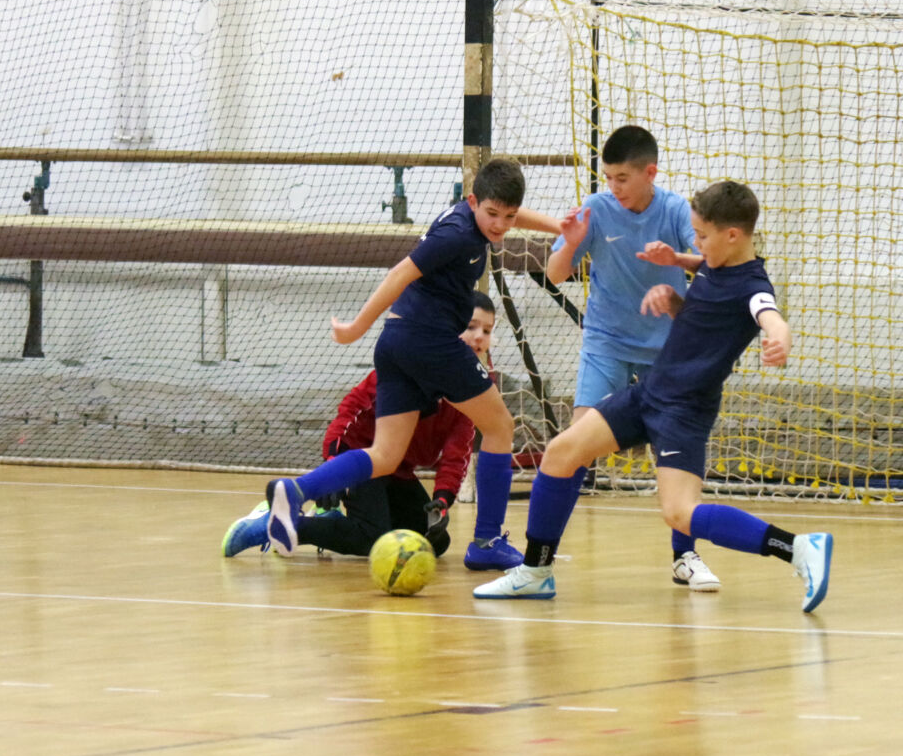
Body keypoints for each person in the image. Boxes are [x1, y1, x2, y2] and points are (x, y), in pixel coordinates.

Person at [473, 181, 833, 613]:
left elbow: (769, 315)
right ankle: (535, 571)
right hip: (649, 393)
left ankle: (798, 548)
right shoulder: (716, 262)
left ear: (733, 235)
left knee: (680, 513)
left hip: (684, 412)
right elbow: (703, 299)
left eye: (702, 235)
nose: (696, 243)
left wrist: (780, 339)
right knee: (561, 453)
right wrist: (674, 290)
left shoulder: (752, 286)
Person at [262, 158, 528, 570]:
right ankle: (487, 541)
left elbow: (507, 210)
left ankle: (296, 490)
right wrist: (356, 327)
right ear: (474, 201)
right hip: (429, 340)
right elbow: (399, 273)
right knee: (500, 427)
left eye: (509, 217)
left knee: (385, 454)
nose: (501, 225)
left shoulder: (469, 215)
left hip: (397, 341)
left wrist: (560, 225)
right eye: (494, 214)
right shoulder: (458, 236)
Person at [545, 125, 720, 589]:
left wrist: (675, 261)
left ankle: (685, 556)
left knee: (675, 455)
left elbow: (712, 266)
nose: (613, 187)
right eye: (608, 177)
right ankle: (541, 556)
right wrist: (571, 241)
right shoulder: (597, 209)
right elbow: (555, 274)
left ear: (650, 173)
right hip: (606, 343)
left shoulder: (676, 210)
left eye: (622, 178)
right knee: (574, 447)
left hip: (666, 351)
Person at [223, 292, 501, 561]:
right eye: (470, 326)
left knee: (433, 541)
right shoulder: (410, 361)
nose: (479, 336)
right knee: (370, 537)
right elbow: (351, 411)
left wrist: (442, 499)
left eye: (487, 330)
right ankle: (274, 523)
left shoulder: (474, 386)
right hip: (361, 459)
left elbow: (457, 451)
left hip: (397, 471)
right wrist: (333, 466)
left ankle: (328, 521)